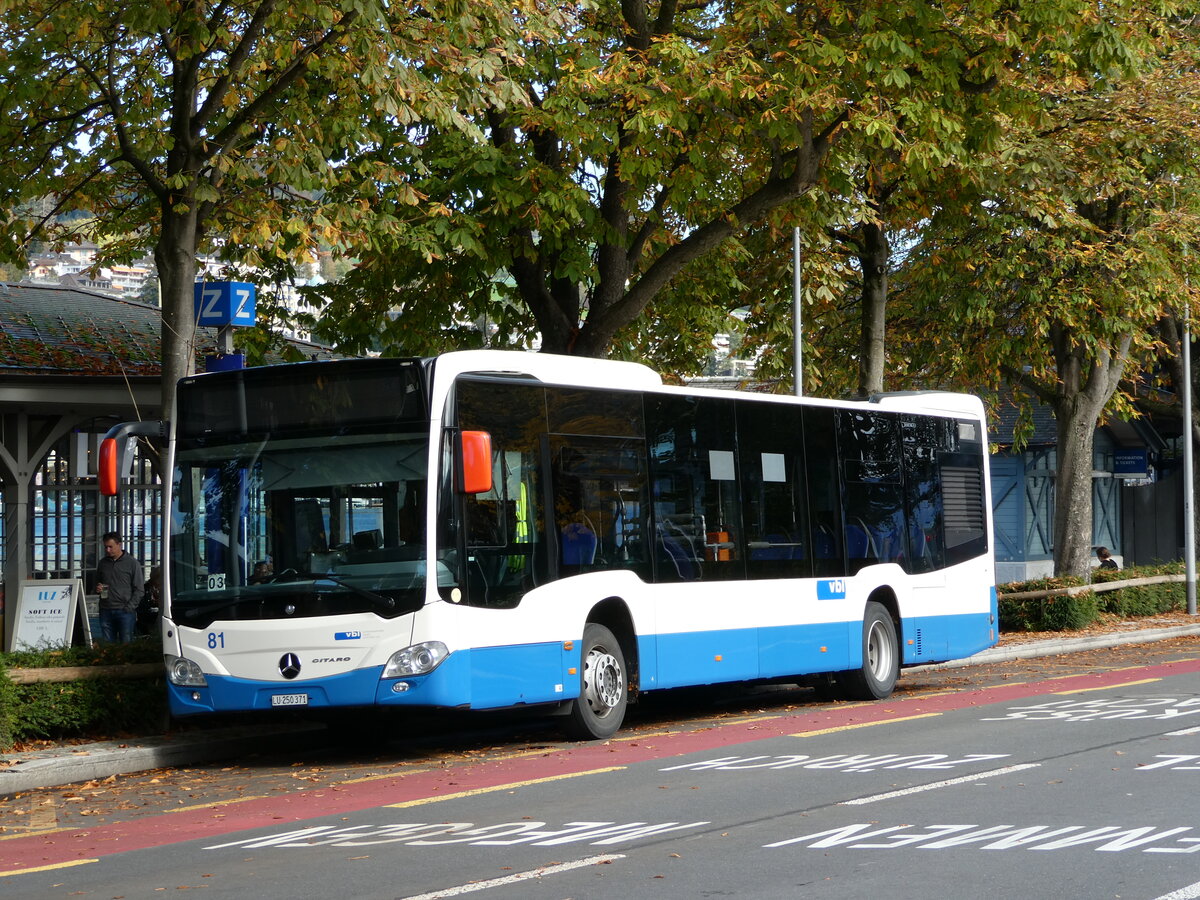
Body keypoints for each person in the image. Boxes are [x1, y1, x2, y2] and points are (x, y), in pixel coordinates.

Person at [95, 531, 145, 643]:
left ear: (119, 544)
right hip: (105, 609)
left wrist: (129, 607)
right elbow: (96, 583)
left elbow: (139, 589)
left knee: (126, 643)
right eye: (106, 547)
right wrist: (98, 588)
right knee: (108, 645)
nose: (108, 550)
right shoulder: (103, 563)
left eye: (110, 547)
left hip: (125, 610)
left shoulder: (132, 563)